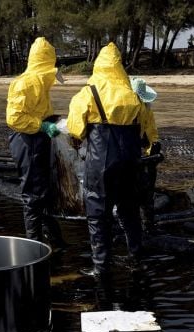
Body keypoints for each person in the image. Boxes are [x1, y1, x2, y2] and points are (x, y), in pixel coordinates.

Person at [67, 42, 158, 277]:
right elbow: (146, 131)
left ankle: (101, 266)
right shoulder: (133, 94)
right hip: (130, 161)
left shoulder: (88, 92)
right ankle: (137, 258)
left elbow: (75, 129)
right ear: (119, 66)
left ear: (99, 65)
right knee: (129, 210)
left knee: (98, 212)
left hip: (101, 161)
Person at [6, 37, 66, 246]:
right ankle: (34, 246)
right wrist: (42, 126)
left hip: (37, 139)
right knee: (32, 196)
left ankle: (55, 241)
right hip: (26, 140)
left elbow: (39, 110)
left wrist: (54, 120)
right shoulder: (26, 82)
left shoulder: (40, 81)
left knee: (44, 193)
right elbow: (14, 118)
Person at [130, 77, 162, 234]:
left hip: (140, 153)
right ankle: (146, 225)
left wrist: (153, 150)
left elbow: (152, 132)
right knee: (144, 192)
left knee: (143, 191)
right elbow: (152, 133)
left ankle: (145, 225)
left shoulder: (145, 110)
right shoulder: (142, 109)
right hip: (136, 153)